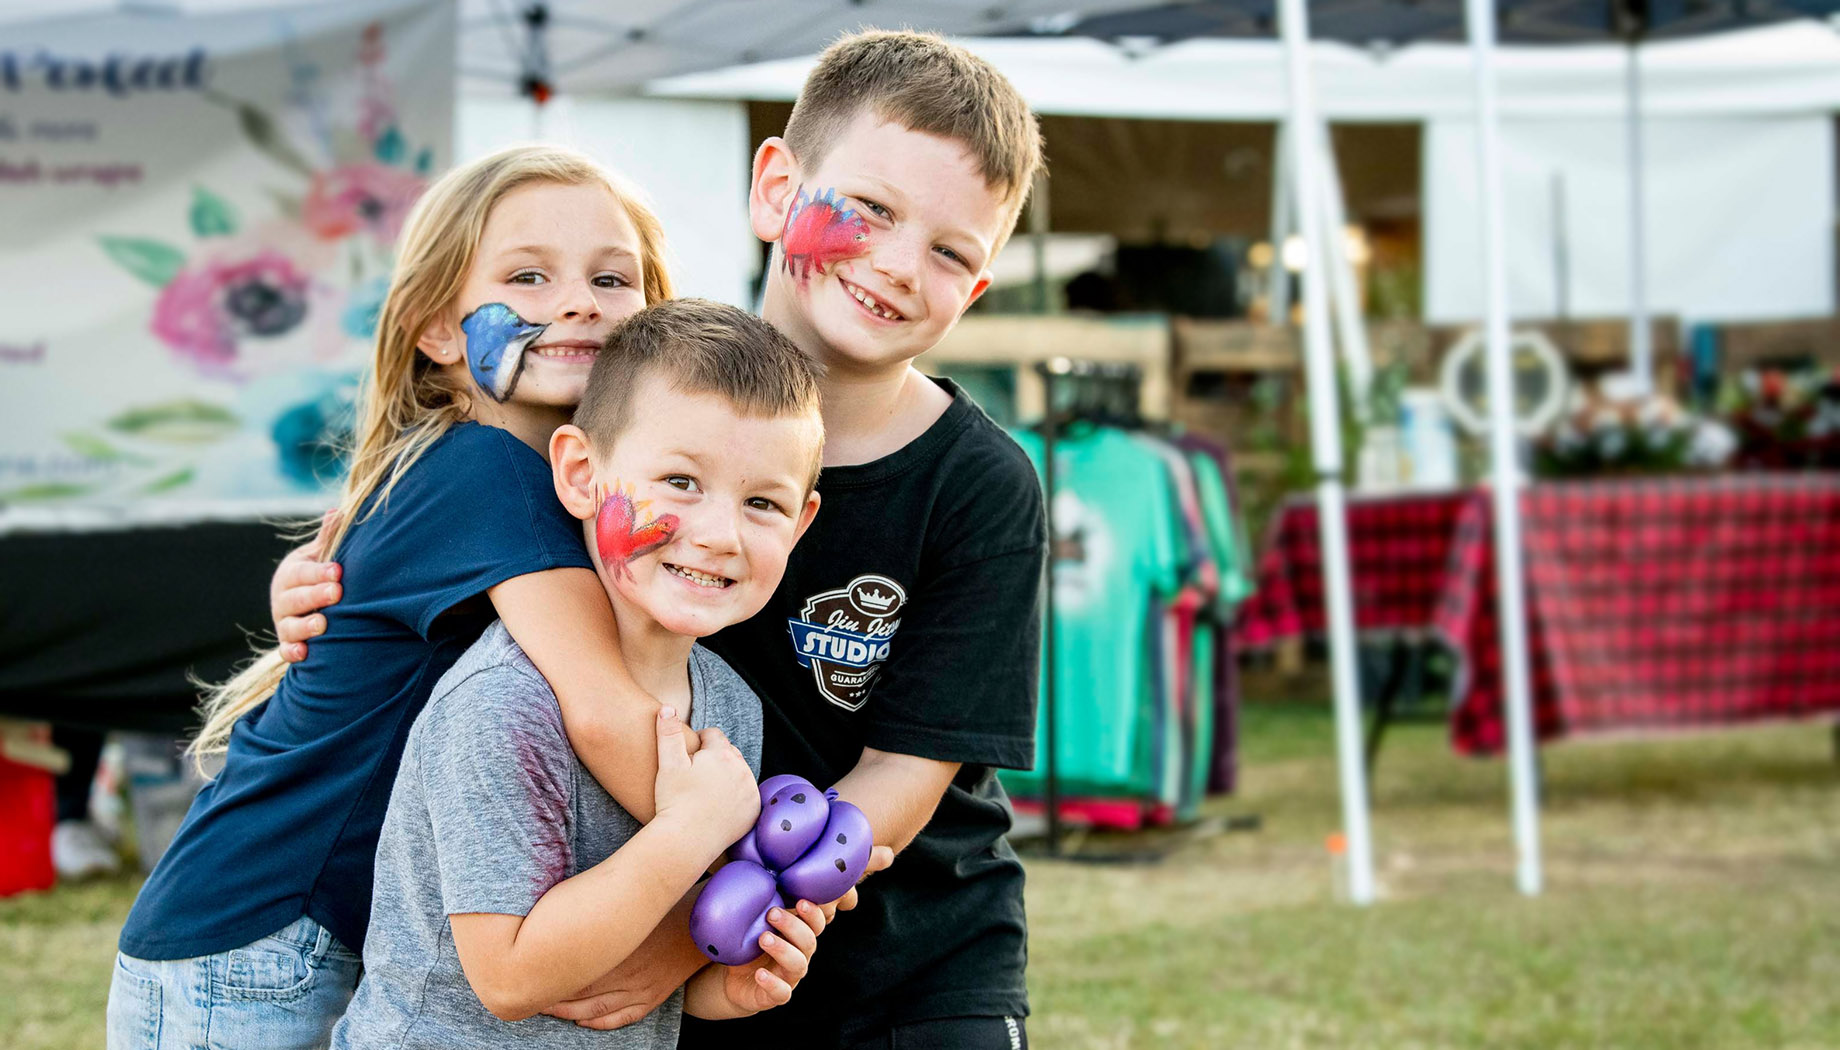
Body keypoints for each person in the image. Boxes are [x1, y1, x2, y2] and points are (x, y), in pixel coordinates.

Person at [277, 29, 1050, 1048]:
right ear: (776, 188)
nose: (900, 266)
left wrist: (689, 936)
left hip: (907, 966)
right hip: (673, 943)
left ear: (979, 286)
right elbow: (482, 480)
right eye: (867, 209)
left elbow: (897, 789)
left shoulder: (979, 485)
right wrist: (334, 580)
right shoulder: (642, 388)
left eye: (951, 252)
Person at [109, 145, 698, 1050]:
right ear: (439, 332)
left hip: (320, 937)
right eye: (528, 276)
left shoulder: (545, 486)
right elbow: (605, 712)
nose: (578, 301)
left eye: (612, 279)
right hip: (262, 941)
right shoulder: (485, 473)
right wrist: (744, 841)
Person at [330, 299, 848, 1049]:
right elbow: (509, 977)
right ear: (579, 473)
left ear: (801, 524)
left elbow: (626, 964)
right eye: (679, 481)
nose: (718, 535)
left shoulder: (731, 707)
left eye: (763, 502)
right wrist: (691, 830)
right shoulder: (505, 704)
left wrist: (718, 988)